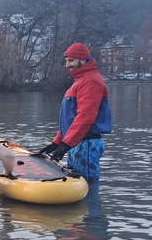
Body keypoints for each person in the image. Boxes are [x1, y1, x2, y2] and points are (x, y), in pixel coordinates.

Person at [37, 43, 112, 181]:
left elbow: (85, 117)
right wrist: (58, 142)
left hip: (86, 144)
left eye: (71, 60)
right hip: (77, 143)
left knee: (87, 186)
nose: (67, 65)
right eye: (67, 61)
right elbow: (71, 119)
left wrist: (66, 144)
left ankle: (93, 203)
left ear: (83, 60)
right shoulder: (81, 80)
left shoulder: (91, 81)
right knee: (78, 184)